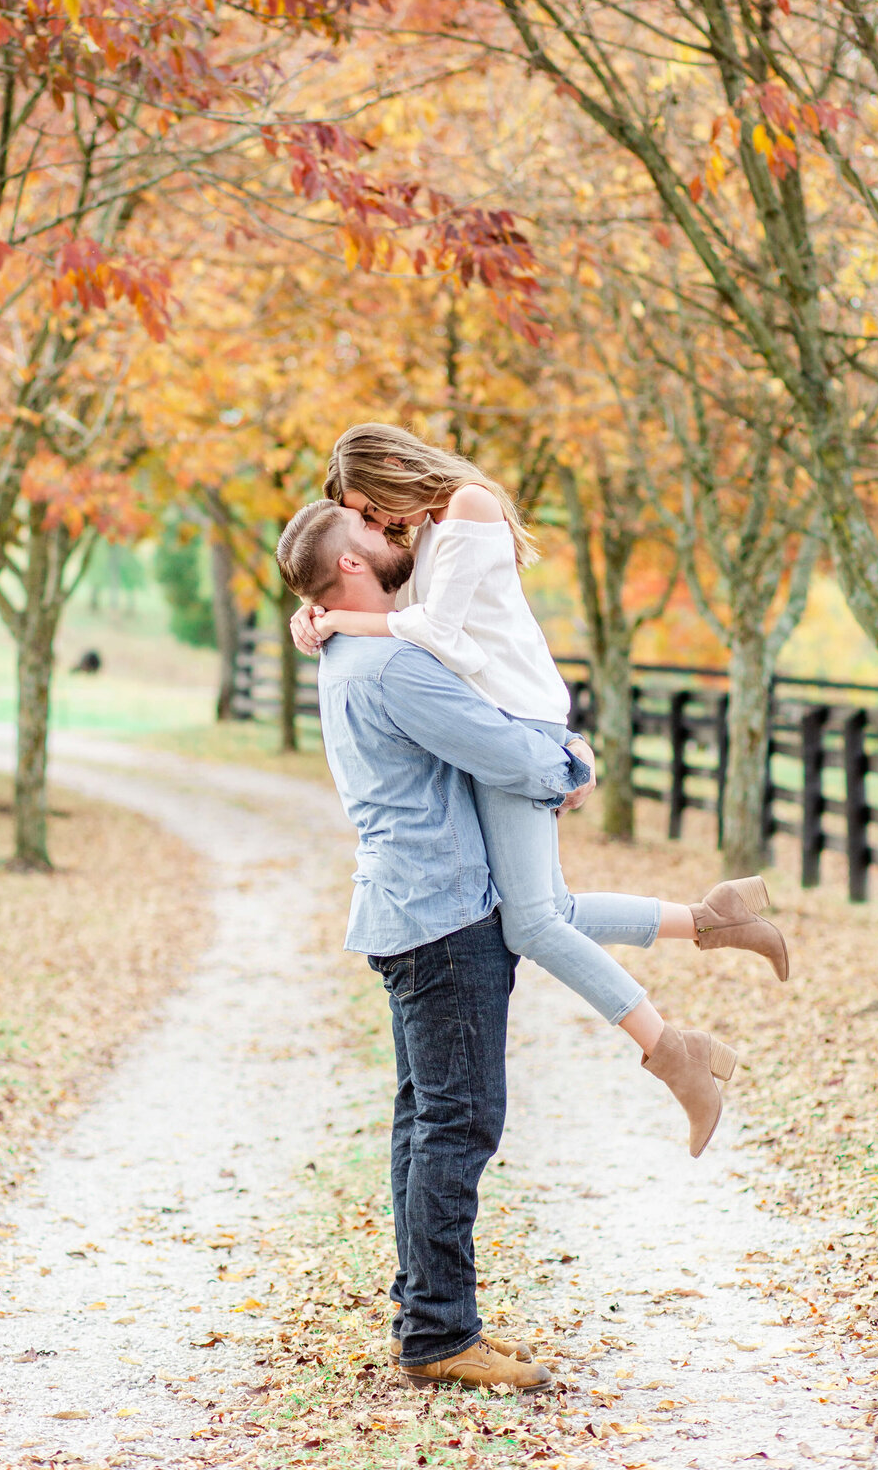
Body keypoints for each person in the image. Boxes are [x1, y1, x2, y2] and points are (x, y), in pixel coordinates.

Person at [290, 422, 789, 1159]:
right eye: (363, 519)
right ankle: (713, 920)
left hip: (516, 718)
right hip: (495, 715)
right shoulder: (425, 527)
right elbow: (385, 593)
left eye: (369, 508)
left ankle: (680, 1055)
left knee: (530, 924)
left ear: (395, 467)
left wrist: (341, 618)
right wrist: (312, 612)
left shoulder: (468, 506)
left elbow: (441, 633)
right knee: (543, 911)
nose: (374, 525)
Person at [276, 497, 602, 1391]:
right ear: (348, 566)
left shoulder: (349, 649)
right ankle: (440, 1335)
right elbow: (503, 752)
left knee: (426, 1122)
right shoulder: (390, 666)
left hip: (407, 907)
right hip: (446, 918)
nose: (393, 543)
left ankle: (429, 1315)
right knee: (459, 1123)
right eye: (376, 538)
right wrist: (571, 766)